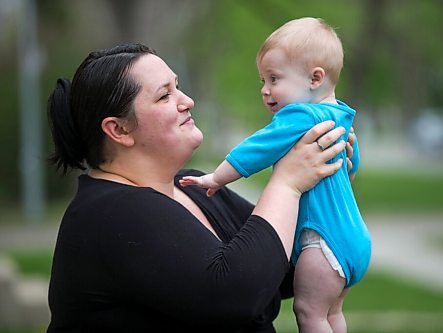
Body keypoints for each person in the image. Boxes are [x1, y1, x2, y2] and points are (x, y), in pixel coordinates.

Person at [45, 42, 351, 332]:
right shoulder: (109, 214)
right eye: (165, 95)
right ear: (119, 129)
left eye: (177, 86)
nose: (187, 101)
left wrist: (322, 181)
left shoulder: (191, 187)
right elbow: (236, 293)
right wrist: (288, 183)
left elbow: (278, 267)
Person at [180, 18, 371, 333]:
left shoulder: (300, 115)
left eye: (274, 79)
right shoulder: (341, 116)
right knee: (331, 313)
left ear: (315, 78)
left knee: (309, 313)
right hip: (354, 238)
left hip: (322, 243)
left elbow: (258, 148)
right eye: (263, 81)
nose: (266, 91)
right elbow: (351, 163)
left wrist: (217, 178)